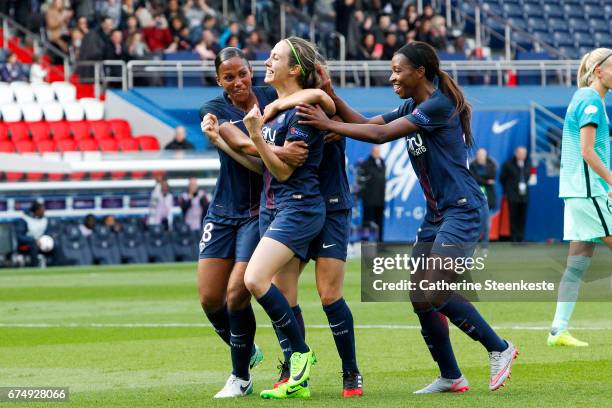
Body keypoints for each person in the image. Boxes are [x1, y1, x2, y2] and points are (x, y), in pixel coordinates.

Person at [297, 41, 518, 393]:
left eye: (398, 71)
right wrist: (330, 95)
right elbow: (369, 123)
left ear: (420, 72)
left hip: (462, 209)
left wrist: (329, 123)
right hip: (437, 215)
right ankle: (451, 375)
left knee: (433, 290)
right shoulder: (411, 105)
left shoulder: (438, 106)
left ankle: (500, 348)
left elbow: (380, 135)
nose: (391, 77)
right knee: (420, 296)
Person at [198, 46, 333, 399]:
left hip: (266, 209)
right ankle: (262, 353)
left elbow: (317, 97)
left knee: (240, 290)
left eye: (243, 73)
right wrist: (273, 148)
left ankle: (244, 374)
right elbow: (242, 144)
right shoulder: (216, 110)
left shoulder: (274, 102)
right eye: (229, 77)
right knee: (210, 298)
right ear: (219, 81)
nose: (239, 81)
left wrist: (268, 141)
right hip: (228, 208)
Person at [548, 48, 612, 347]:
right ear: (598, 70)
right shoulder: (589, 100)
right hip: (588, 192)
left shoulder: (587, 98)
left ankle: (557, 330)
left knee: (577, 266)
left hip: (579, 193)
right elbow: (587, 152)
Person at [500, 146, 531, 242]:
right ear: (516, 153)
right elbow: (502, 178)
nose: (523, 156)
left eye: (524, 154)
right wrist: (508, 190)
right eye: (521, 154)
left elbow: (528, 177)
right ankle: (514, 238)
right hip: (513, 195)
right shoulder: (508, 164)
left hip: (524, 196)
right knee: (513, 216)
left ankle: (521, 237)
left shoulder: (527, 164)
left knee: (522, 217)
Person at [470, 148, 497, 255]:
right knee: (475, 223)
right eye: (479, 155)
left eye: (482, 155)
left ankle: (485, 245)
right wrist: (486, 181)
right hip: (475, 199)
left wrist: (482, 180)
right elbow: (474, 178)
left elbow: (492, 178)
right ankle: (473, 245)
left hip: (488, 199)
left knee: (486, 223)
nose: (480, 156)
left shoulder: (492, 164)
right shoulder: (472, 165)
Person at [357, 145, 386, 241]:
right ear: (372, 152)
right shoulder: (365, 164)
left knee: (380, 222)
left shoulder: (382, 162)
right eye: (375, 151)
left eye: (378, 151)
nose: (377, 153)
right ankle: (364, 242)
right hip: (369, 200)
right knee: (366, 222)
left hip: (380, 199)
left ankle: (380, 244)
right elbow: (360, 181)